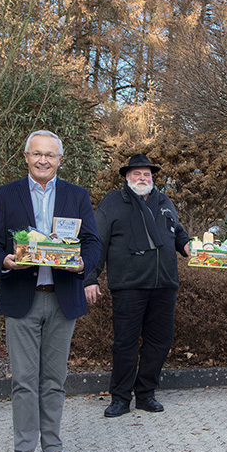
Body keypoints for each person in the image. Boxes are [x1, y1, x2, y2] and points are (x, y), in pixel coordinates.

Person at [0, 130, 101, 452]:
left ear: (60, 159)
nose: (43, 160)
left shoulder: (76, 196)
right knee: (23, 381)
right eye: (37, 154)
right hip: (22, 298)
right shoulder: (6, 195)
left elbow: (92, 241)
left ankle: (52, 450)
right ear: (26, 157)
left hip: (62, 298)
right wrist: (4, 260)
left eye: (50, 154)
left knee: (54, 380)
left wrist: (83, 266)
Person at [85, 154, 191, 418]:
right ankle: (120, 397)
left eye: (147, 175)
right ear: (127, 177)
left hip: (164, 284)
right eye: (137, 174)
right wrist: (90, 277)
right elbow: (97, 242)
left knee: (160, 342)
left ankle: (145, 394)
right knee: (125, 344)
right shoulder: (112, 203)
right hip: (128, 285)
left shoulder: (164, 201)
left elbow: (177, 233)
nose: (143, 179)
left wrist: (191, 247)